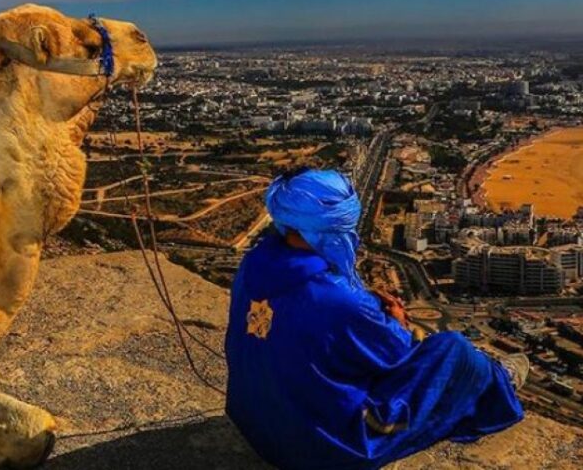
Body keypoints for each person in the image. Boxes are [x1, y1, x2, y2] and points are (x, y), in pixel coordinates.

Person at [225, 168, 526, 470]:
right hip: (314, 451)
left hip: (255, 426)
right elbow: (401, 357)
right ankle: (501, 381)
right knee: (455, 351)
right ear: (336, 224)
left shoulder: (253, 263)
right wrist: (397, 321)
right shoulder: (340, 300)